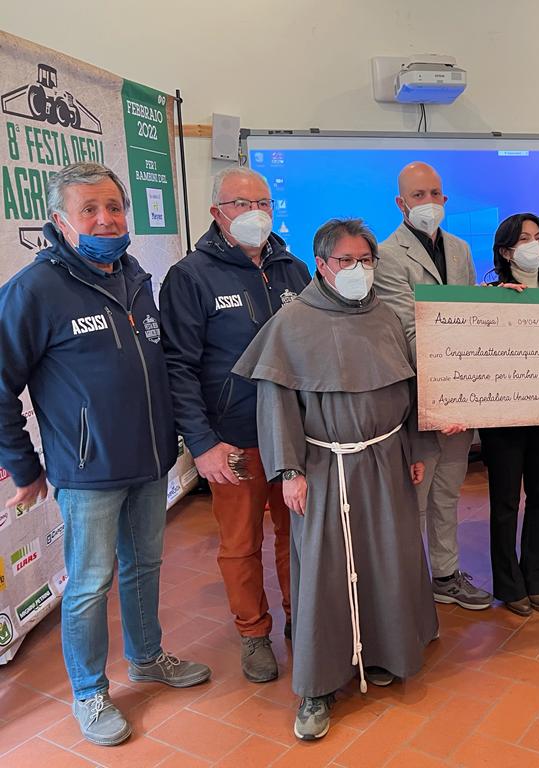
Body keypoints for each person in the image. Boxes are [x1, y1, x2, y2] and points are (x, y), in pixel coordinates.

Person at [0, 162, 210, 746]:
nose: (105, 219)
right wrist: (23, 465)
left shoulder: (136, 279)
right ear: (61, 221)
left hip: (150, 460)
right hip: (88, 470)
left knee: (145, 567)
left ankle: (147, 658)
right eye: (89, 209)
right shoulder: (34, 290)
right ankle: (90, 691)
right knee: (90, 583)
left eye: (114, 207)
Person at [233, 218, 438, 740]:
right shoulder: (292, 323)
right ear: (321, 264)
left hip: (387, 457)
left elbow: (408, 388)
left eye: (365, 261)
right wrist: (290, 471)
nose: (357, 270)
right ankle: (317, 686)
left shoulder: (386, 316)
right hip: (327, 466)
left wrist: (415, 447)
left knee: (388, 557)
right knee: (324, 571)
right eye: (345, 260)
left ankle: (385, 651)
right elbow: (276, 403)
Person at [160, 167, 310, 683]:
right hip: (234, 440)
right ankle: (253, 633)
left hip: (292, 435)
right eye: (241, 204)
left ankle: (301, 619)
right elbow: (178, 367)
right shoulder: (190, 276)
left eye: (263, 203)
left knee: (298, 535)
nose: (255, 214)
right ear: (216, 213)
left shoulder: (293, 269)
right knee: (241, 544)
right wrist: (202, 444)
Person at [374, 162, 492, 611]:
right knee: (416, 498)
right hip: (420, 398)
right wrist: (451, 379)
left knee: (448, 491)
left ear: (445, 198)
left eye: (435, 193)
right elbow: (408, 329)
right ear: (400, 203)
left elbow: (470, 315)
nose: (429, 202)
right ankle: (405, 587)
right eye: (418, 195)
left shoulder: (461, 249)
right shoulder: (386, 255)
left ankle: (445, 574)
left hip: (460, 398)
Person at [478, 213, 539, 616]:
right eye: (523, 239)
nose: (534, 245)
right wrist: (493, 303)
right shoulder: (488, 294)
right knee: (506, 502)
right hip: (503, 415)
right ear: (505, 251)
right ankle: (509, 584)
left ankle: (536, 578)